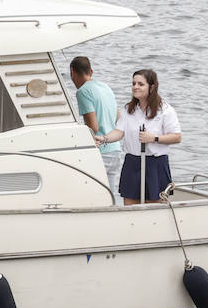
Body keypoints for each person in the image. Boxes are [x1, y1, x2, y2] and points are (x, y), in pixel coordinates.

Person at [95, 68, 182, 205]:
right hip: (132, 162)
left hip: (155, 164)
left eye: (140, 84)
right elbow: (119, 132)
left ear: (152, 87)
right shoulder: (129, 110)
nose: (135, 87)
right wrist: (104, 138)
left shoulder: (165, 110)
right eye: (133, 83)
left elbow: (176, 137)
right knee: (130, 206)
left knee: (154, 206)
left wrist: (154, 138)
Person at [70, 56, 121, 194]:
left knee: (93, 194)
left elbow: (93, 127)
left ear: (72, 72)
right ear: (91, 71)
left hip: (101, 152)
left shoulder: (83, 92)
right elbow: (118, 117)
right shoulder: (105, 87)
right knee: (111, 195)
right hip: (115, 148)